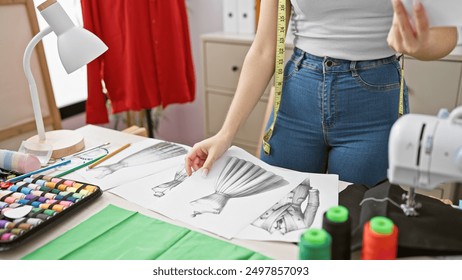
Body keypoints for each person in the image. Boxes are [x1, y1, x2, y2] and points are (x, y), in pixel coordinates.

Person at [185, 0, 459, 187]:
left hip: (373, 102)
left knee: (357, 228)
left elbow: (446, 35)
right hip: (298, 91)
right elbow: (264, 48)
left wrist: (419, 45)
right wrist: (226, 133)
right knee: (276, 210)